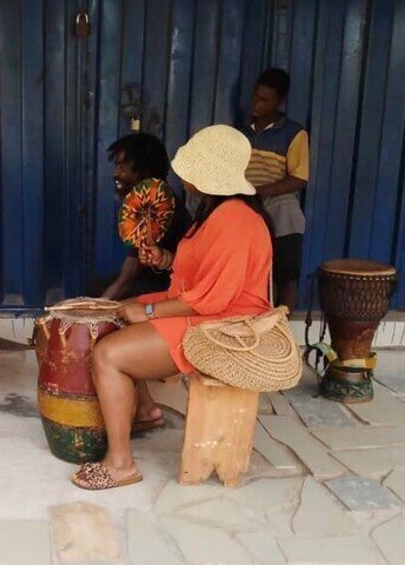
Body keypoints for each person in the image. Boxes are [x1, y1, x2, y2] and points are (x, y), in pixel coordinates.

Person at [70, 125, 273, 490]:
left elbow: (213, 299)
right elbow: (197, 277)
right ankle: (145, 411)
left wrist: (148, 312)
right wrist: (164, 259)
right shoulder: (216, 213)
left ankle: (120, 464)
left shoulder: (236, 219)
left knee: (108, 355)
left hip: (222, 329)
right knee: (118, 313)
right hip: (207, 313)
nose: (183, 176)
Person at [86, 133, 192, 432]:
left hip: (172, 293)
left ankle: (139, 402)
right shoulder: (150, 201)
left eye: (123, 166)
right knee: (99, 290)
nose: (116, 174)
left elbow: (129, 274)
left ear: (143, 170)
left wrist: (100, 307)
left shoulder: (158, 206)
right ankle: (144, 405)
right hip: (157, 282)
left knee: (111, 308)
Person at [241, 68, 309, 311]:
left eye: (264, 100)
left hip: (273, 197)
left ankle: (283, 317)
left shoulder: (294, 133)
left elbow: (299, 179)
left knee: (289, 212)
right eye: (255, 97)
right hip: (241, 196)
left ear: (279, 102)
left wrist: (259, 191)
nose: (255, 103)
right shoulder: (241, 130)